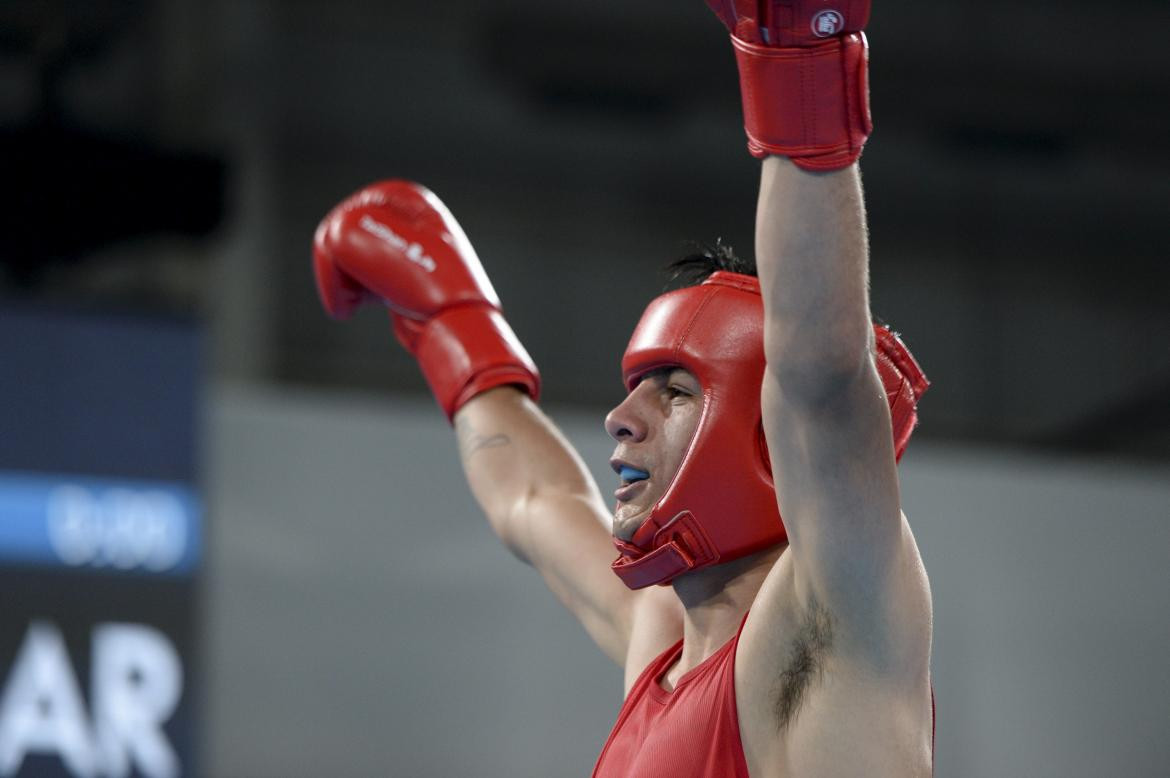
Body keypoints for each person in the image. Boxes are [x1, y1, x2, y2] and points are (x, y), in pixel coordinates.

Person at [312, 1, 934, 774]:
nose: (620, 419)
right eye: (635, 386)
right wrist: (452, 331)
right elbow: (530, 503)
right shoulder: (665, 638)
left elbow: (823, 382)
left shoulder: (832, 614)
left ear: (768, 439)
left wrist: (800, 65)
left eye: (674, 391)